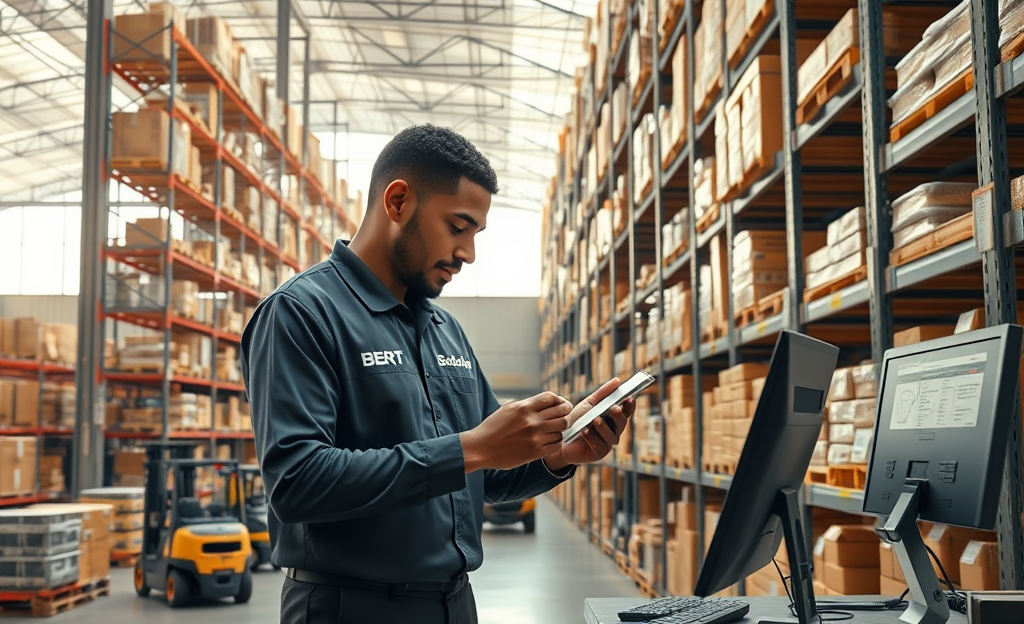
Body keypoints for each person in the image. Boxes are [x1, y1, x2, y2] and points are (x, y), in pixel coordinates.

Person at [240, 124, 634, 624]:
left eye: (475, 234)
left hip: (453, 604)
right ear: (398, 201)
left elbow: (486, 474)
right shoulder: (301, 314)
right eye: (458, 226)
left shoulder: (445, 329)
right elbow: (297, 483)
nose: (468, 253)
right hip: (349, 608)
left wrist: (557, 455)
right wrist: (472, 448)